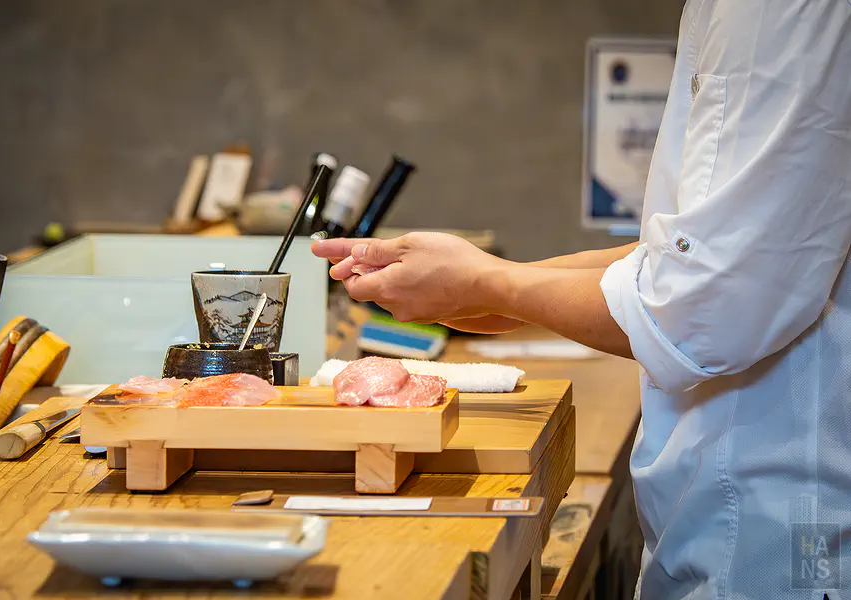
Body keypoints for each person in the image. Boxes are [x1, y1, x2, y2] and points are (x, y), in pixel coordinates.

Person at [312, 1, 851, 597]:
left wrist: (492, 284)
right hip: (735, 511)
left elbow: (707, 307)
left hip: (778, 539)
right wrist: (502, 284)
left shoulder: (778, 11)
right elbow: (696, 254)